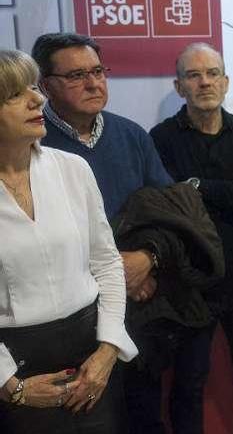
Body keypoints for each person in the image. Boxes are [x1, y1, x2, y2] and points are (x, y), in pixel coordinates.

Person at [0, 49, 137, 432]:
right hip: (16, 368)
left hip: (91, 356)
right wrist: (11, 387)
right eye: (15, 95)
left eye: (33, 87)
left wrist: (108, 350)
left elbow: (107, 264)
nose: (37, 99)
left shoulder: (73, 169)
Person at [149, 43, 233, 434]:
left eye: (212, 74)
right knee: (189, 380)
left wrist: (196, 186)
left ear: (225, 82)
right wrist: (229, 188)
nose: (204, 82)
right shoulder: (161, 137)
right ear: (179, 85)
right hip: (190, 281)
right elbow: (173, 204)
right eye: (193, 75)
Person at [31, 32, 172, 311]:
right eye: (76, 76)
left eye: (97, 71)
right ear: (46, 87)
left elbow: (168, 210)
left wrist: (146, 259)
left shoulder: (132, 135)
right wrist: (113, 273)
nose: (93, 84)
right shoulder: (29, 142)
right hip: (66, 305)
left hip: (142, 296)